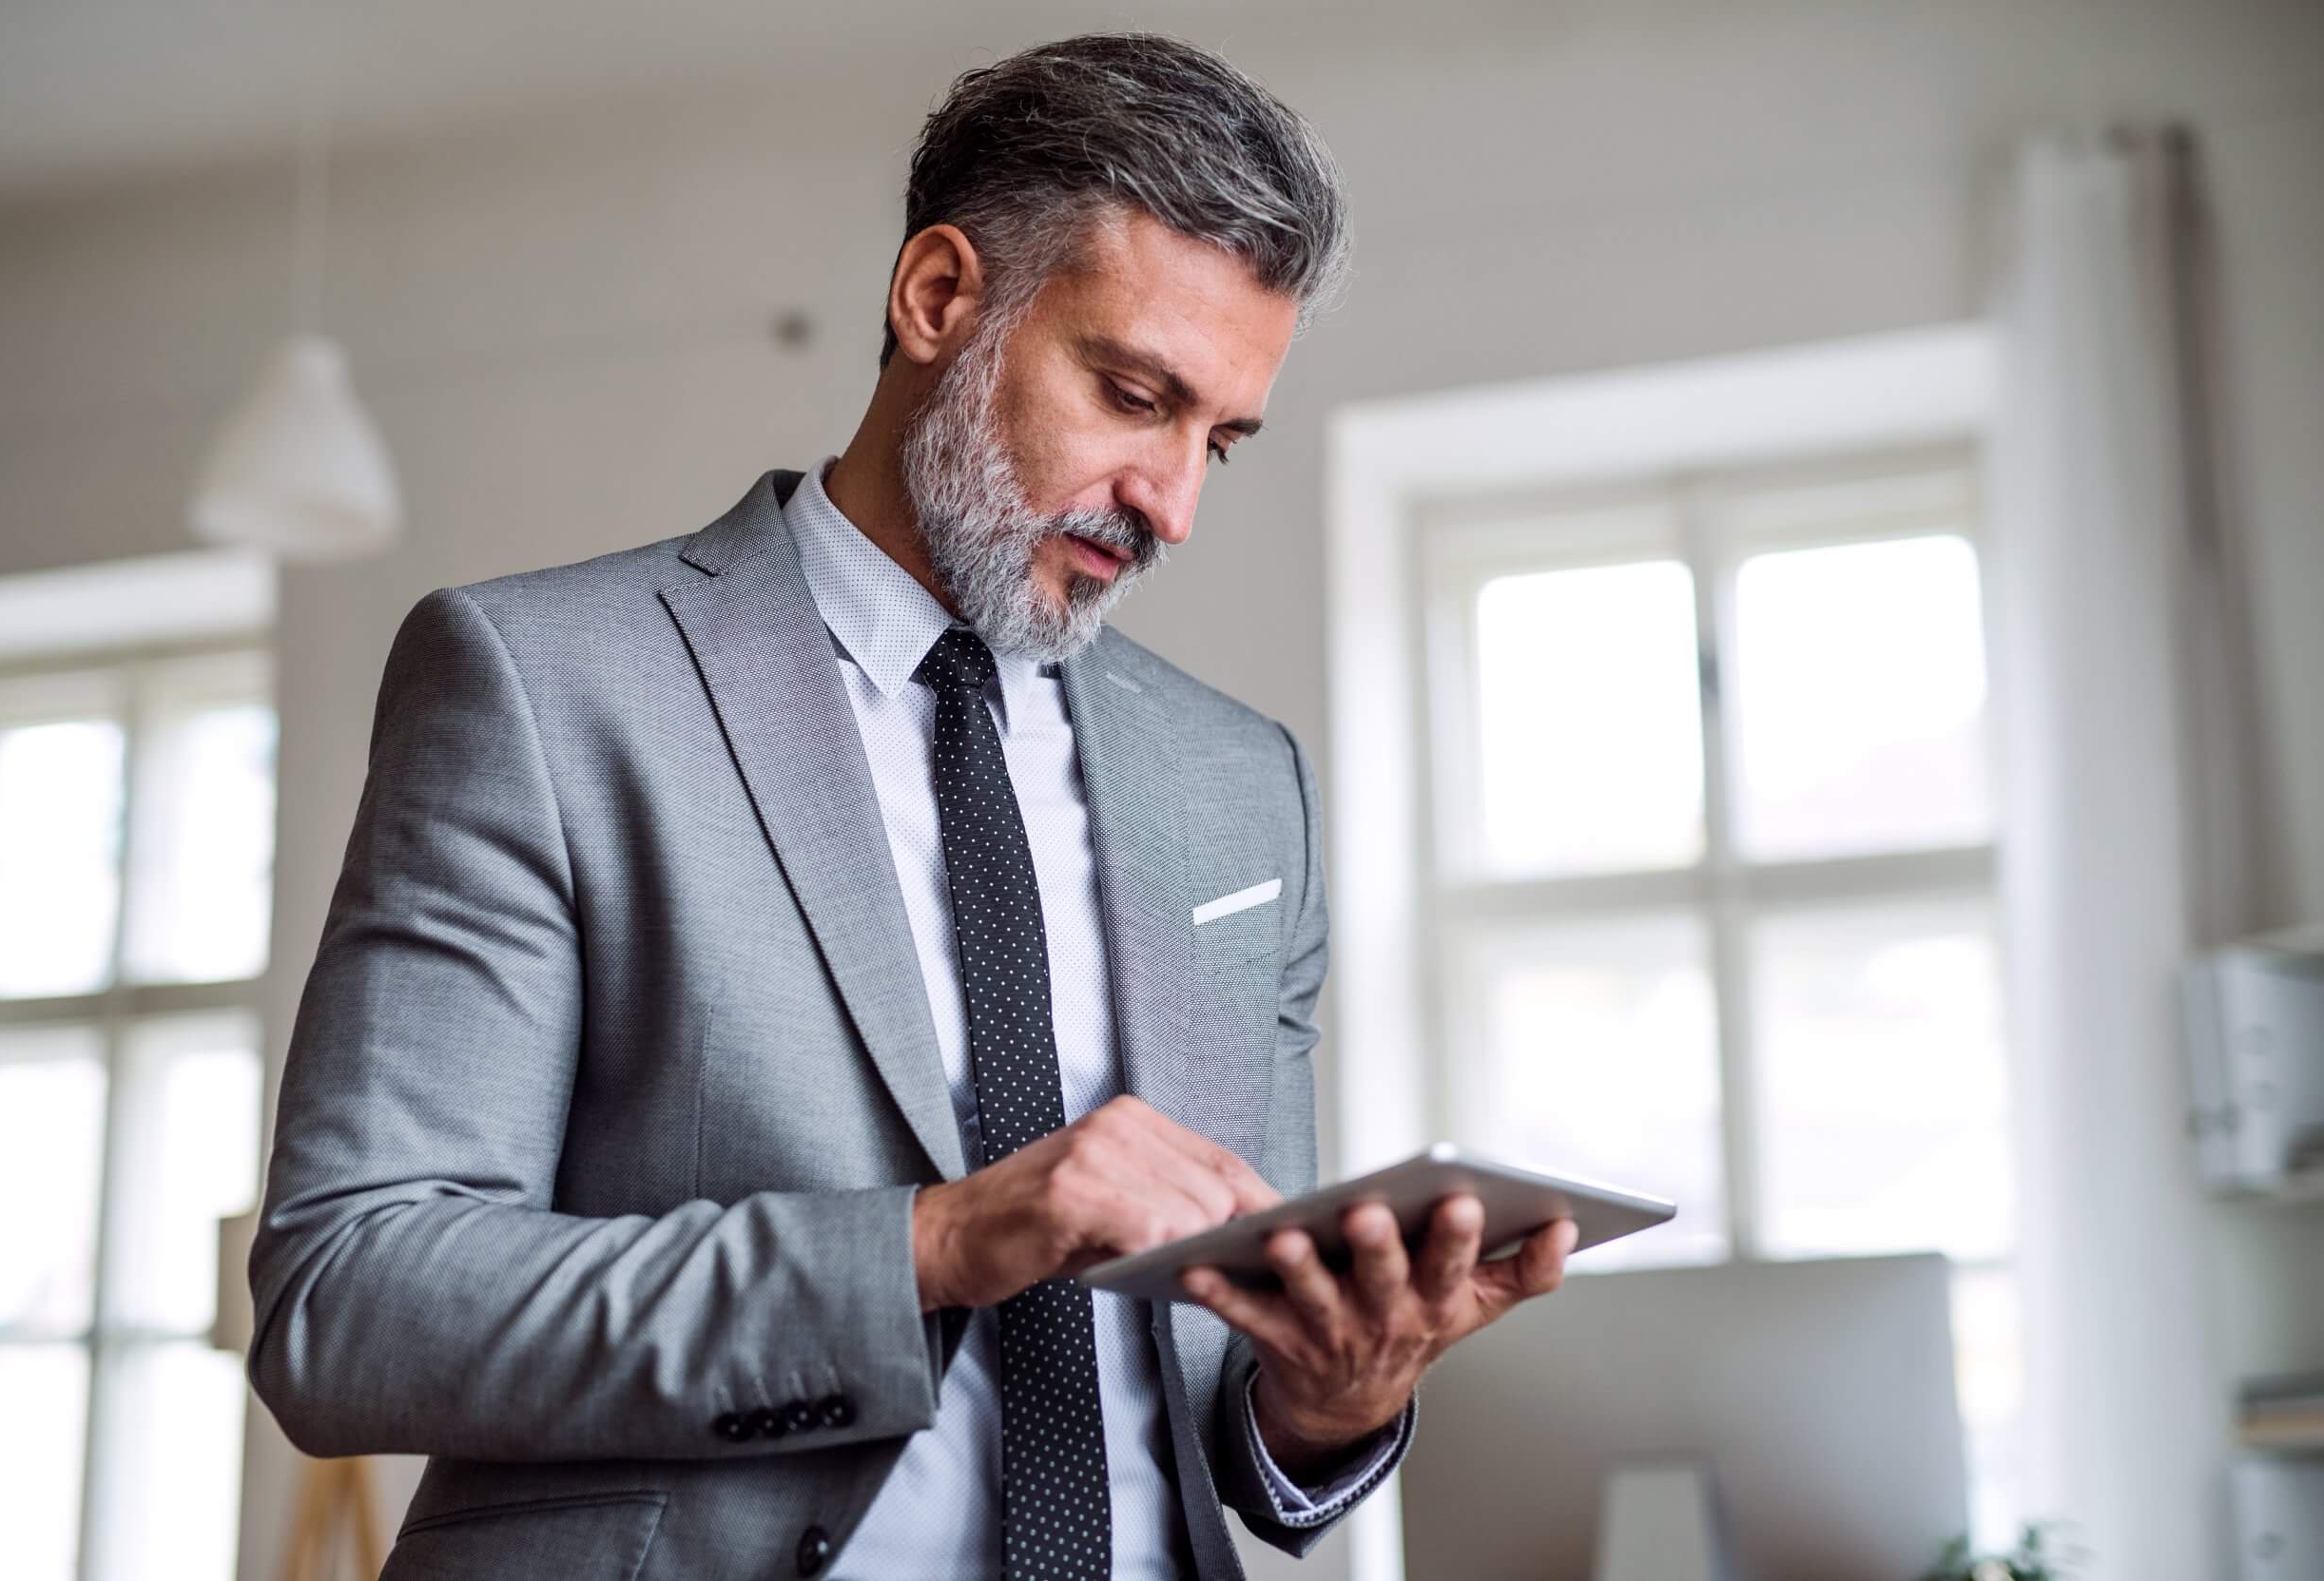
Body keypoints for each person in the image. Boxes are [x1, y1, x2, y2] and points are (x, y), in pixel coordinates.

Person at [247, 31, 1579, 1581]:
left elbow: (1230, 1413)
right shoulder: (543, 685)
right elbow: (351, 1302)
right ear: (940, 300)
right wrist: (934, 1247)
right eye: (1134, 394)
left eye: (1217, 438)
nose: (1174, 503)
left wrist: (1334, 1395)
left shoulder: (1245, 792)